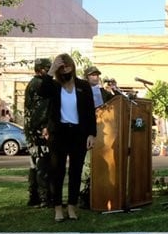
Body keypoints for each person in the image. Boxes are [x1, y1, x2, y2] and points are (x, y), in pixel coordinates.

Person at [38, 53, 97, 222]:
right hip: (58, 133)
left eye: (67, 66)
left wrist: (92, 133)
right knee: (57, 171)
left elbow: (89, 112)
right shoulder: (54, 86)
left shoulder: (83, 86)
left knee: (75, 171)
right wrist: (51, 69)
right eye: (61, 67)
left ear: (73, 66)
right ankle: (58, 208)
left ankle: (72, 207)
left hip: (78, 133)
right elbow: (42, 91)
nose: (65, 70)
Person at [79, 66, 115, 208]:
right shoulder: (80, 91)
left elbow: (115, 103)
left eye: (97, 75)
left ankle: (100, 194)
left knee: (102, 164)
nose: (96, 77)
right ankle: (84, 196)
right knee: (87, 165)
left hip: (105, 132)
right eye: (92, 75)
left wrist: (113, 91)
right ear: (86, 77)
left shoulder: (103, 92)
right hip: (87, 131)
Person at [23, 58, 51, 208]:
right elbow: (42, 111)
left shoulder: (32, 83)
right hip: (39, 131)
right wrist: (44, 127)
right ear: (41, 70)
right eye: (48, 68)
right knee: (43, 165)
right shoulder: (41, 85)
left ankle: (33, 197)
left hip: (31, 130)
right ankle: (44, 199)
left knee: (34, 164)